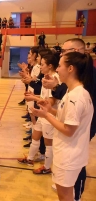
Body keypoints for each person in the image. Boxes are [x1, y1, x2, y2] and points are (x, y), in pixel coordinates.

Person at [32, 52, 94, 201]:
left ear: (71, 68)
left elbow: (69, 130)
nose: (58, 70)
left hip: (69, 156)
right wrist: (50, 110)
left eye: (60, 66)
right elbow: (66, 118)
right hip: (68, 154)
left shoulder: (76, 97)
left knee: (64, 196)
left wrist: (46, 116)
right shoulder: (72, 91)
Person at [18, 53, 59, 175]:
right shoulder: (46, 77)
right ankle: (30, 159)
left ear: (50, 66)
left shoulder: (54, 79)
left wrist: (34, 99)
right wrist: (33, 96)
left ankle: (46, 167)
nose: (40, 67)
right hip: (42, 113)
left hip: (49, 115)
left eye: (42, 64)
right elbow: (43, 97)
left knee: (48, 144)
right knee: (35, 137)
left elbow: (50, 101)